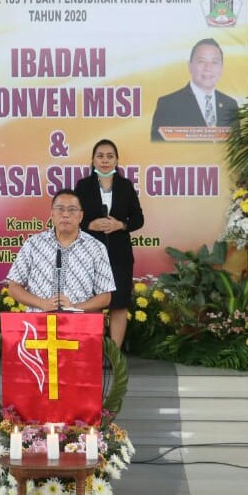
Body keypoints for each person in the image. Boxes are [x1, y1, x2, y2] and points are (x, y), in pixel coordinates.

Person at [73, 139, 144, 345]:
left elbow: (138, 219)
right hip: (89, 254)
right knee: (92, 304)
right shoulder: (83, 186)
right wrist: (89, 224)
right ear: (93, 160)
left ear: (116, 160)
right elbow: (73, 216)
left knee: (119, 304)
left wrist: (121, 225)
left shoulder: (125, 186)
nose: (105, 160)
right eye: (100, 156)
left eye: (109, 156)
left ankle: (114, 354)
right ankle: (92, 352)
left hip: (119, 255)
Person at [7, 189, 115, 313]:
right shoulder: (33, 244)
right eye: (60, 209)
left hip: (78, 326)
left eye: (72, 210)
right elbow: (14, 287)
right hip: (38, 325)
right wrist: (42, 304)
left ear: (81, 216)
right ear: (52, 214)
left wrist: (74, 307)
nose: (65, 215)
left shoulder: (96, 248)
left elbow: (105, 297)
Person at [150, 38, 239, 141]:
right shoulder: (168, 104)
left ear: (221, 68)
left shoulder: (230, 104)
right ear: (190, 66)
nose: (208, 68)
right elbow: (158, 150)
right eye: (201, 61)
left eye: (214, 62)